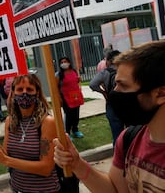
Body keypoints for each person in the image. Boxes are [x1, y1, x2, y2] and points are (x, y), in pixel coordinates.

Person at [53, 40, 165, 192]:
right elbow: (115, 189)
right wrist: (77, 164)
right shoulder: (129, 139)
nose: (115, 91)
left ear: (160, 93)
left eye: (123, 85)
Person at [0, 74, 61, 192]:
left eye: (29, 89)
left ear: (37, 93)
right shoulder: (10, 121)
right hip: (17, 189)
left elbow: (46, 168)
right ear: (13, 93)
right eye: (20, 89)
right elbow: (6, 154)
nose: (24, 93)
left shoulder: (47, 122)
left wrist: (6, 160)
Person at [89, 50, 124, 146]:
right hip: (127, 103)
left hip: (112, 103)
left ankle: (119, 156)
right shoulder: (126, 70)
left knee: (117, 133)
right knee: (133, 132)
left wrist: (103, 92)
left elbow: (92, 84)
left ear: (108, 61)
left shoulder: (105, 73)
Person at [55, 57, 84, 139]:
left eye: (65, 61)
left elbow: (75, 82)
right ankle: (67, 132)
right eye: (62, 62)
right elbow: (56, 87)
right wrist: (59, 98)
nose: (64, 63)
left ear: (69, 62)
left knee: (76, 114)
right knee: (68, 115)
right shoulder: (59, 75)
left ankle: (75, 130)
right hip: (65, 97)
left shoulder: (74, 71)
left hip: (75, 96)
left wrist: (78, 80)